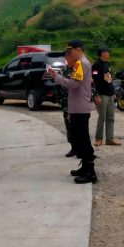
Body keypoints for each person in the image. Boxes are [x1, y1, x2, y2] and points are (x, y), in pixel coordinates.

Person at [48, 39, 97, 184]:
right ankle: (85, 167)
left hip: (80, 108)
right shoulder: (79, 63)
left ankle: (90, 172)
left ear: (78, 50)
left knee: (83, 140)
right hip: (77, 107)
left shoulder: (81, 63)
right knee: (79, 139)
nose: (69, 54)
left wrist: (57, 78)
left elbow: (74, 84)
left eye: (71, 51)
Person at [92, 47, 120, 146]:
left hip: (110, 94)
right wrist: (96, 95)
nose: (109, 54)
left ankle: (110, 139)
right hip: (101, 94)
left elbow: (109, 79)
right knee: (102, 117)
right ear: (102, 53)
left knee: (111, 117)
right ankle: (98, 138)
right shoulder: (96, 65)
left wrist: (114, 93)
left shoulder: (107, 64)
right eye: (108, 52)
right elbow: (94, 81)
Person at [53, 63, 75, 157]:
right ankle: (73, 148)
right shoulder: (63, 70)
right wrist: (59, 98)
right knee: (68, 124)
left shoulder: (79, 69)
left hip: (77, 101)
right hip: (66, 101)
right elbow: (57, 84)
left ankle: (80, 148)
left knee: (78, 125)